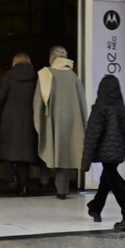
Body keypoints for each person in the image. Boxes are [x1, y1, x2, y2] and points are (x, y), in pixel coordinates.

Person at [82, 74, 125, 231]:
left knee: (112, 178)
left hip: (104, 152)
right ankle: (96, 208)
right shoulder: (123, 110)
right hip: (118, 152)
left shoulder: (98, 110)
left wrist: (85, 163)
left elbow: (91, 137)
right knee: (107, 177)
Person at [32, 45, 87, 199]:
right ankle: (62, 189)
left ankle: (44, 181)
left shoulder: (45, 74)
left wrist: (39, 122)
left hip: (51, 121)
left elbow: (37, 103)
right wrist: (83, 125)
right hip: (72, 123)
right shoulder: (74, 77)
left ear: (52, 58)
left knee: (48, 149)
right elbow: (82, 104)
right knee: (66, 155)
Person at [0, 52, 40, 194]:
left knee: (7, 149)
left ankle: (11, 179)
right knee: (24, 153)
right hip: (28, 118)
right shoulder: (35, 77)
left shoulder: (8, 77)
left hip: (10, 119)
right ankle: (23, 186)